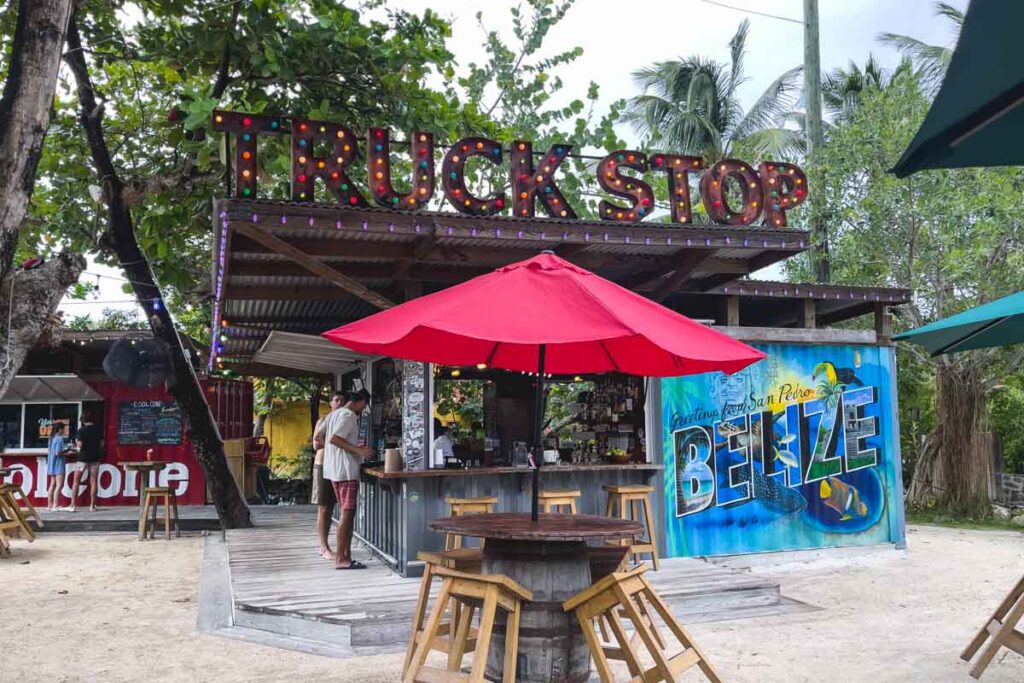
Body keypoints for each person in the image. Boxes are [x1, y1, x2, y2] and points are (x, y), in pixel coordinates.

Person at [315, 389, 372, 570]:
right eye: (364, 405)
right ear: (361, 402)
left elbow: (318, 437)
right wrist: (358, 451)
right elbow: (334, 439)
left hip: (333, 470)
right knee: (347, 515)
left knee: (346, 514)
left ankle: (346, 556)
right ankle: (341, 558)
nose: (363, 409)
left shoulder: (333, 415)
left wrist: (336, 452)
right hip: (346, 471)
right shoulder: (348, 415)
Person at [311, 391, 345, 560]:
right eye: (336, 400)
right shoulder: (324, 421)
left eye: (342, 400)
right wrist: (334, 444)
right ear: (331, 403)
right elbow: (316, 443)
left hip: (337, 466)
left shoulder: (345, 420)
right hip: (323, 464)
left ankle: (331, 545)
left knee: (332, 506)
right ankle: (323, 546)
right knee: (324, 507)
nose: (339, 403)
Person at [67, 412, 103, 512]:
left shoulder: (81, 430)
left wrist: (75, 446)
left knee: (76, 481)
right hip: (95, 458)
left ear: (83, 420)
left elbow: (80, 445)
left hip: (82, 458)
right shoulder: (98, 430)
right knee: (94, 481)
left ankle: (73, 505)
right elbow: (101, 444)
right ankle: (92, 505)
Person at [46, 421, 70, 511]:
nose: (64, 430)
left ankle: (49, 505)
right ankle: (55, 505)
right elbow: (58, 453)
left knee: (52, 485)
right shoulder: (60, 439)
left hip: (51, 464)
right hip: (59, 464)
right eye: (63, 428)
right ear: (60, 429)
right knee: (59, 485)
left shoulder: (51, 438)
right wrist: (66, 451)